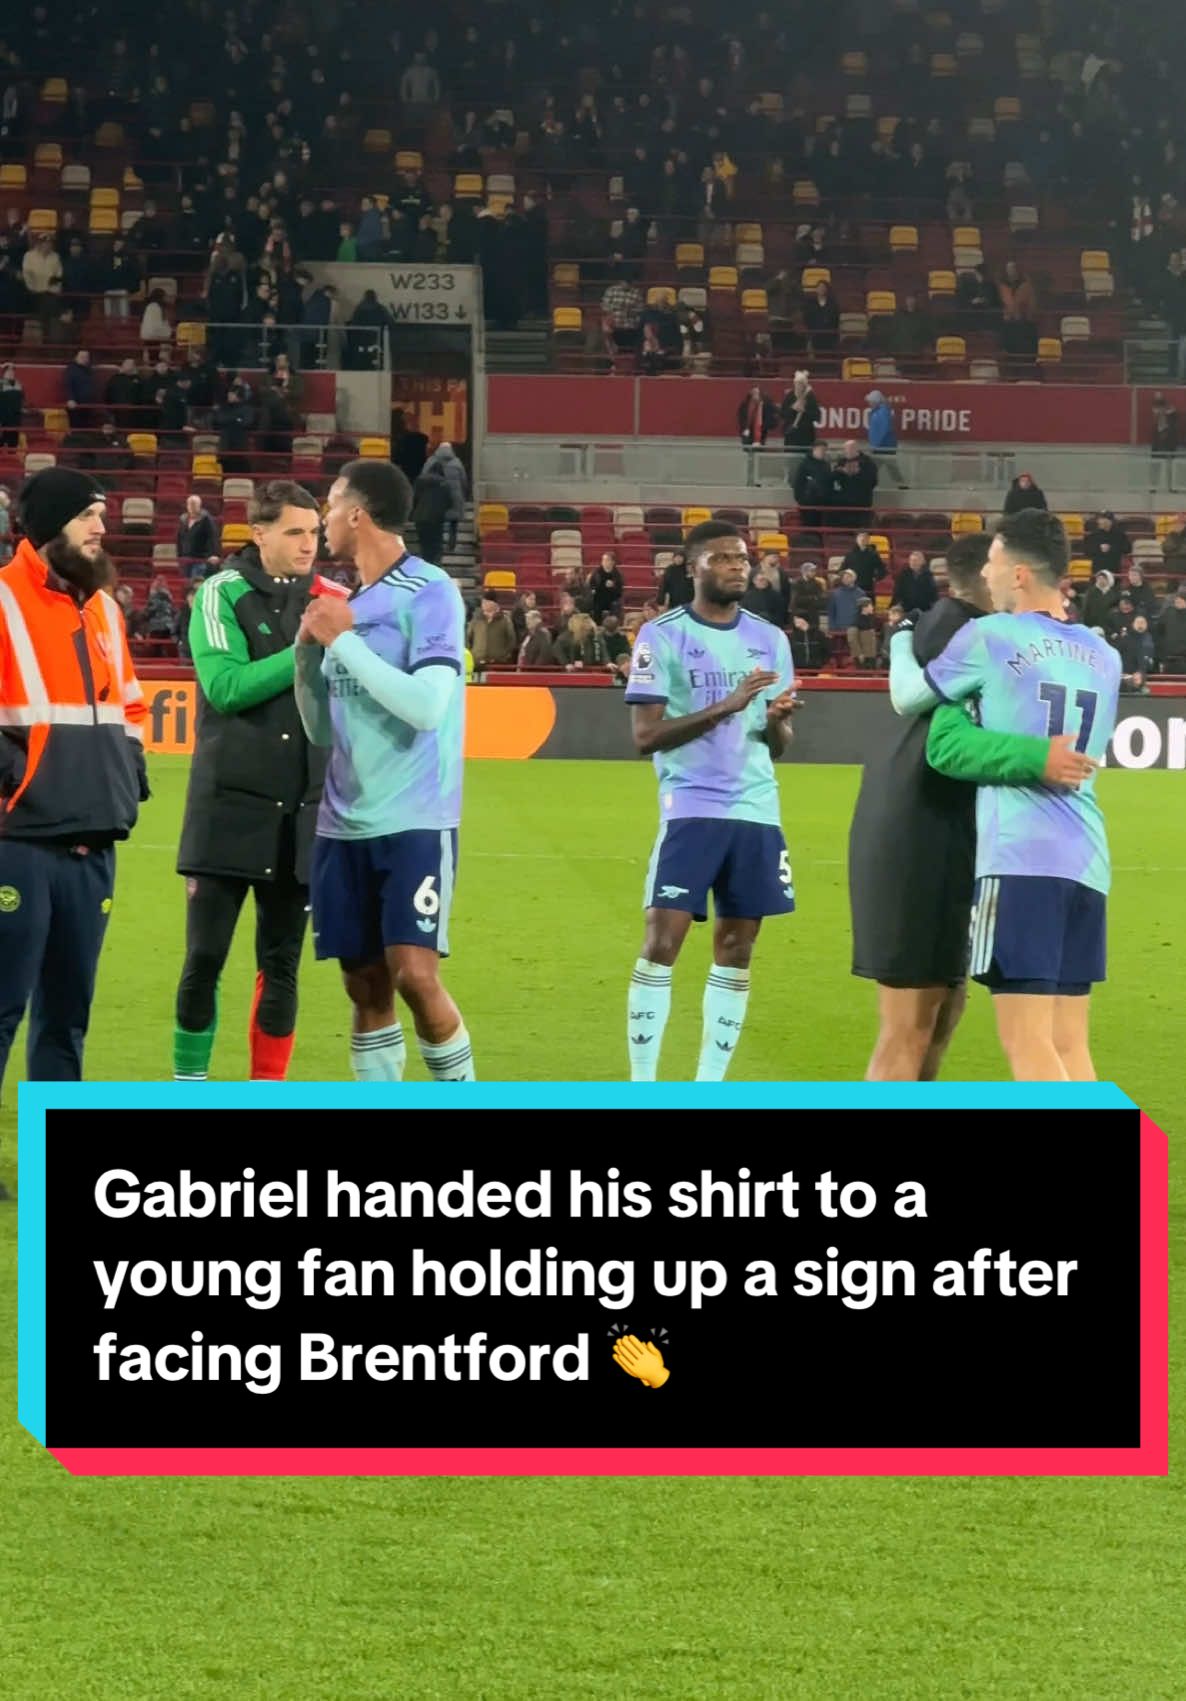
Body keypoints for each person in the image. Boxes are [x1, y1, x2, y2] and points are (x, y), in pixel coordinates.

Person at [849, 532, 1094, 1078]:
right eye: (993, 567)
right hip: (919, 834)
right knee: (911, 1027)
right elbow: (925, 721)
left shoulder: (982, 633)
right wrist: (1037, 757)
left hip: (956, 833)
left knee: (939, 1018)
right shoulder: (962, 628)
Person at [293, 459, 474, 1082]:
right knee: (364, 986)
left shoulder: (430, 590)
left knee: (416, 978)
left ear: (356, 512)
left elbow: (428, 707)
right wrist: (305, 659)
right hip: (342, 825)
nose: (323, 517)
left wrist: (343, 643)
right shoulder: (351, 604)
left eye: (331, 503)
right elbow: (322, 730)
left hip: (414, 819)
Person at [174, 486, 346, 1088]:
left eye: (314, 532)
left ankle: (264, 1097)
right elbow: (224, 688)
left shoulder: (331, 600)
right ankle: (188, 1091)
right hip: (229, 808)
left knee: (283, 967)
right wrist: (304, 649)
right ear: (259, 534)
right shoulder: (222, 592)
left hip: (301, 814)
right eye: (295, 532)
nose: (309, 544)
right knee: (204, 959)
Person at [622, 520, 797, 1083]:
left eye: (742, 559)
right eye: (722, 558)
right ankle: (644, 1083)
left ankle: (708, 1085)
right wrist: (728, 704)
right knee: (661, 940)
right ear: (691, 566)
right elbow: (645, 737)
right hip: (692, 806)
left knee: (737, 948)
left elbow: (780, 747)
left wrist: (775, 722)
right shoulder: (662, 635)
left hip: (756, 809)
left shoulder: (770, 639)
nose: (737, 567)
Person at [0, 468, 149, 1096]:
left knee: (68, 1021)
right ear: (48, 525)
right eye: (88, 515)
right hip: (19, 840)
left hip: (92, 839)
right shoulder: (3, 600)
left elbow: (133, 708)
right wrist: (16, 780)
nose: (102, 528)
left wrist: (126, 775)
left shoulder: (105, 610)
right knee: (3, 1010)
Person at [865, 390, 906, 488]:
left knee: (873, 468)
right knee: (889, 467)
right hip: (883, 446)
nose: (869, 403)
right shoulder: (879, 412)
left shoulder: (882, 413)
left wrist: (875, 445)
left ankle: (869, 486)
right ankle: (902, 486)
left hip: (883, 446)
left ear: (876, 401)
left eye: (870, 401)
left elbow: (882, 430)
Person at [893, 549, 938, 615]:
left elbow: (933, 592)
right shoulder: (904, 574)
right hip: (907, 608)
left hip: (924, 608)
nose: (912, 562)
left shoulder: (928, 575)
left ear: (922, 562)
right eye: (911, 560)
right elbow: (897, 591)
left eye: (915, 560)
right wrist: (899, 604)